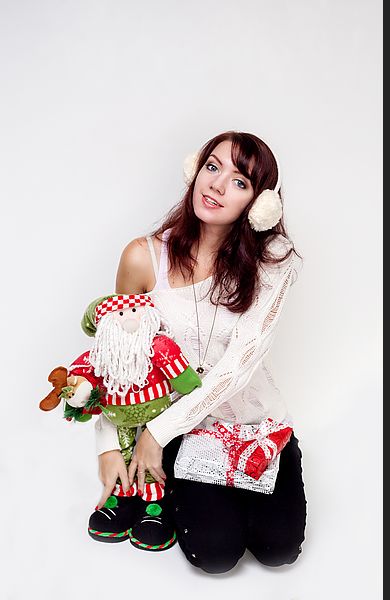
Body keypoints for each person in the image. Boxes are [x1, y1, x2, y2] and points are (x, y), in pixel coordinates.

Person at [92, 130, 307, 572]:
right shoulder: (143, 257)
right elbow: (120, 361)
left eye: (239, 181)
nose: (216, 185)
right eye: (212, 167)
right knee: (215, 555)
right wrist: (110, 445)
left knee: (278, 550)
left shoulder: (274, 260)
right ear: (195, 171)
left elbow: (241, 362)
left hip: (256, 427)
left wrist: (155, 433)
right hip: (185, 435)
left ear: (260, 205)